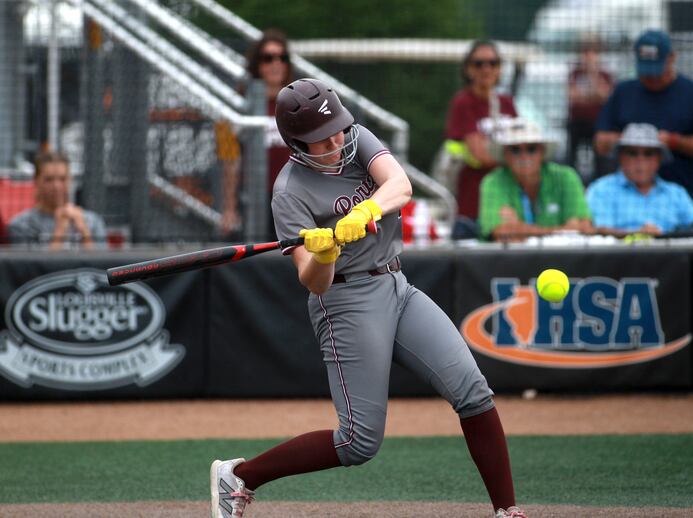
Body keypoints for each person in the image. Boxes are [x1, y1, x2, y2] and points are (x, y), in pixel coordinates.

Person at [209, 78, 528, 518]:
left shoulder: (355, 138)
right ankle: (242, 475)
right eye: (322, 139)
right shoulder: (288, 193)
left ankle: (506, 511)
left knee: (473, 393)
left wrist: (364, 211)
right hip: (345, 301)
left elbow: (400, 185)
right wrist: (324, 251)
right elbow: (313, 280)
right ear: (296, 144)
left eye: (337, 129)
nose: (336, 141)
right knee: (358, 441)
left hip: (396, 285)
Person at [594, 29, 693, 209]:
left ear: (671, 58)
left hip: (682, 199)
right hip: (627, 201)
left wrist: (674, 142)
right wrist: (634, 140)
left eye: (656, 70)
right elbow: (601, 142)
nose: (650, 77)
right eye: (646, 70)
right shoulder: (623, 92)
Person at [219, 28, 294, 239]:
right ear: (257, 64)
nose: (276, 63)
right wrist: (229, 208)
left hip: (295, 195)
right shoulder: (241, 106)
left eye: (282, 57)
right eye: (268, 58)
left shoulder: (298, 101)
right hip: (256, 198)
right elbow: (230, 160)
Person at [444, 40, 517, 238]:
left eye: (493, 63)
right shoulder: (463, 102)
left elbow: (521, 146)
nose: (486, 69)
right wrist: (515, 156)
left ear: (500, 69)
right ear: (468, 69)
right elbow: (481, 155)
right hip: (471, 209)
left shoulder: (507, 102)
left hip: (505, 205)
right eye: (479, 63)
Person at [478, 118, 592, 242]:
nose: (524, 156)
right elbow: (500, 232)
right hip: (512, 260)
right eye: (515, 150)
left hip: (560, 259)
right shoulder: (493, 181)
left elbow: (583, 226)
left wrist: (518, 229)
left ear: (542, 151)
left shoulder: (566, 177)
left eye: (531, 148)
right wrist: (562, 231)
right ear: (505, 154)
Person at [587, 123, 693, 236]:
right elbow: (596, 231)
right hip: (616, 255)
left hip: (673, 255)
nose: (640, 160)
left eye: (648, 153)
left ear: (659, 159)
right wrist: (638, 235)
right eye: (632, 153)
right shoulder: (601, 190)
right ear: (620, 157)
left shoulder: (676, 193)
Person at [8, 150, 106, 249]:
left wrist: (84, 231)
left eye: (62, 179)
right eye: (49, 179)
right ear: (36, 181)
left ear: (70, 180)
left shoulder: (92, 221)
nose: (56, 186)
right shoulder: (22, 225)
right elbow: (33, 264)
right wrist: (60, 230)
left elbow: (103, 262)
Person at [566, 34, 614, 183]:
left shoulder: (605, 75)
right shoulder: (574, 74)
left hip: (596, 123)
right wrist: (593, 97)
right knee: (571, 156)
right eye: (585, 52)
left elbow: (605, 96)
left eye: (593, 52)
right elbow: (573, 97)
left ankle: (599, 181)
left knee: (600, 158)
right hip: (577, 122)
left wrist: (593, 73)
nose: (588, 56)